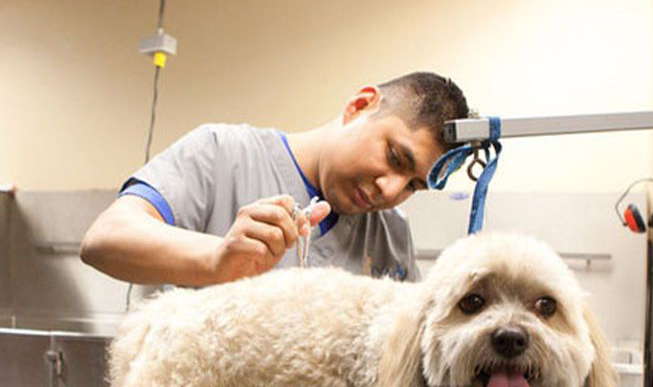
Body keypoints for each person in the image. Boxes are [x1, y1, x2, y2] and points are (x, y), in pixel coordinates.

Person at [80, 72, 469, 288]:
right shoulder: (221, 153)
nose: (391, 190)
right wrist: (216, 260)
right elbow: (104, 240)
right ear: (359, 105)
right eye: (394, 157)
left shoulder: (390, 235)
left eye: (414, 186)